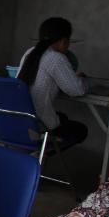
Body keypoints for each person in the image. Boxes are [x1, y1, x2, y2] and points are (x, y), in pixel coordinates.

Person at [17, 17, 88, 147]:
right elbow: (77, 90)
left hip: (19, 121)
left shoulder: (29, 52)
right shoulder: (56, 58)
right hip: (37, 127)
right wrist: (82, 79)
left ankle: (39, 155)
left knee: (63, 118)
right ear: (63, 41)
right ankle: (41, 154)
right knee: (81, 129)